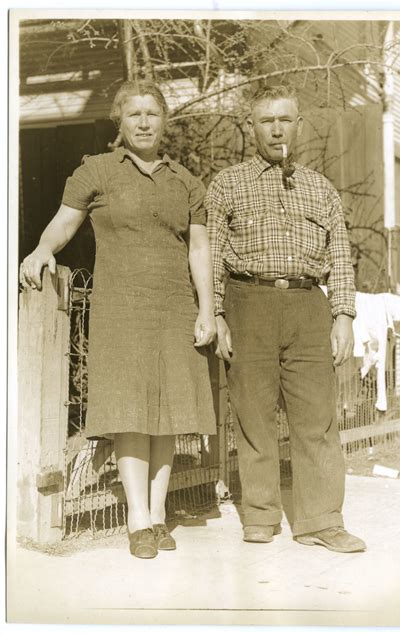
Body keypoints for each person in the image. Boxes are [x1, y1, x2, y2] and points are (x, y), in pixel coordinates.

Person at [20, 79, 217, 559]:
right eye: (135, 114)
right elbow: (66, 221)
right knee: (131, 410)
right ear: (120, 121)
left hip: (174, 305)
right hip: (121, 305)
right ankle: (138, 519)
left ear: (164, 121)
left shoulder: (186, 181)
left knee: (168, 413)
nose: (145, 122)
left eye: (153, 113)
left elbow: (199, 248)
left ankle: (158, 511)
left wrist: (208, 308)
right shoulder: (96, 171)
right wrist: (44, 248)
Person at [205, 85, 366, 552]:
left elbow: (340, 252)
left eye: (285, 119)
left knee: (316, 419)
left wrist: (343, 315)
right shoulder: (228, 183)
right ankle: (260, 515)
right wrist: (216, 312)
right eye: (266, 120)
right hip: (247, 302)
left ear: (298, 125)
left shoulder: (320, 187)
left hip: (307, 306)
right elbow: (213, 252)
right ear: (251, 127)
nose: (277, 128)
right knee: (253, 417)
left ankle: (321, 520)